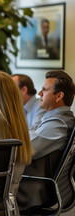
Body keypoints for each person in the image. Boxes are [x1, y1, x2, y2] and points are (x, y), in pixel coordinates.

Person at [17, 70, 75, 212]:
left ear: (59, 96)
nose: (39, 94)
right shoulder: (54, 119)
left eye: (45, 90)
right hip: (32, 184)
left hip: (31, 189)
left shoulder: (59, 124)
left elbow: (26, 149)